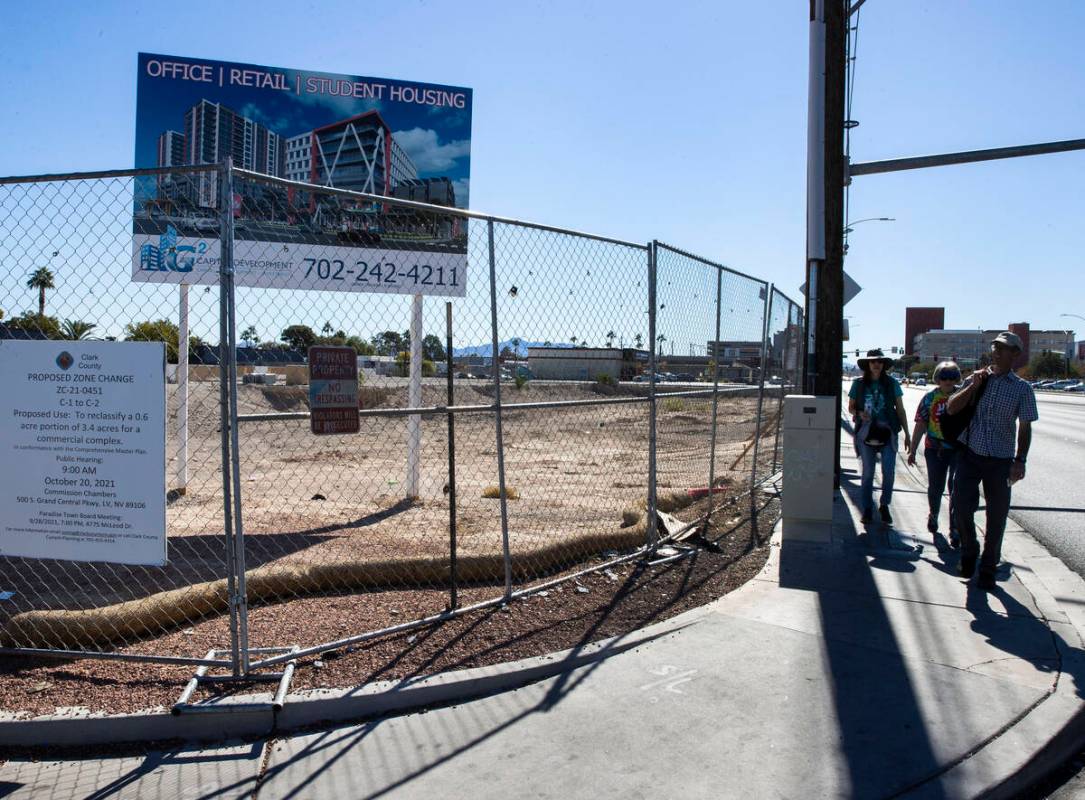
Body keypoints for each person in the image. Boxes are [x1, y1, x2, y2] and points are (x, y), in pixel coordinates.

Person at [947, 332, 1038, 590]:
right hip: (969, 454)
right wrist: (972, 387)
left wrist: (1020, 460)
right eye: (995, 347)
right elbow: (952, 408)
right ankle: (969, 549)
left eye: (1004, 349)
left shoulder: (1022, 389)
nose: (997, 352)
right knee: (961, 507)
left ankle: (988, 568)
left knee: (996, 517)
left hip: (1000, 461)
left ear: (1015, 354)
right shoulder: (976, 378)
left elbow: (1025, 426)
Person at [848, 349, 912, 525]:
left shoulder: (892, 383)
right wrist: (859, 413)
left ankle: (884, 505)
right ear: (868, 365)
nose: (876, 364)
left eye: (879, 362)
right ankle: (867, 508)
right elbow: (851, 407)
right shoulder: (858, 384)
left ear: (883, 365)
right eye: (873, 362)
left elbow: (900, 409)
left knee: (889, 471)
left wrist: (907, 433)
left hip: (888, 430)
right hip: (866, 431)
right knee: (868, 472)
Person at [907, 360, 962, 547]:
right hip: (934, 449)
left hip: (958, 450)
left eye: (952, 377)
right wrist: (913, 449)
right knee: (935, 487)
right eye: (944, 377)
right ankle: (934, 514)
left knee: (957, 489)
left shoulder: (964, 396)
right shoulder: (929, 398)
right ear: (938, 379)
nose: (948, 381)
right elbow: (921, 424)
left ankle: (955, 528)